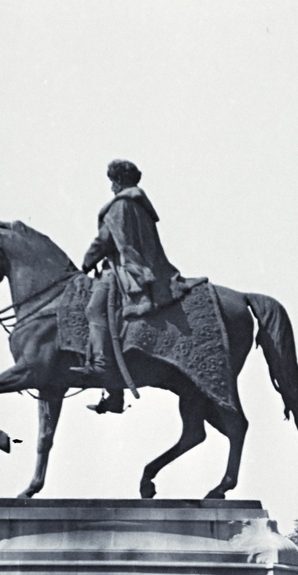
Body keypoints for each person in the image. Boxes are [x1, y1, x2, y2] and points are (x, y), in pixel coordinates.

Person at [80, 159, 185, 415]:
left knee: (95, 310)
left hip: (127, 269)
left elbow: (105, 240)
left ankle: (102, 365)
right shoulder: (141, 205)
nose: (111, 188)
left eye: (112, 182)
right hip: (144, 266)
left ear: (117, 181)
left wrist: (85, 262)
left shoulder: (120, 206)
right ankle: (114, 397)